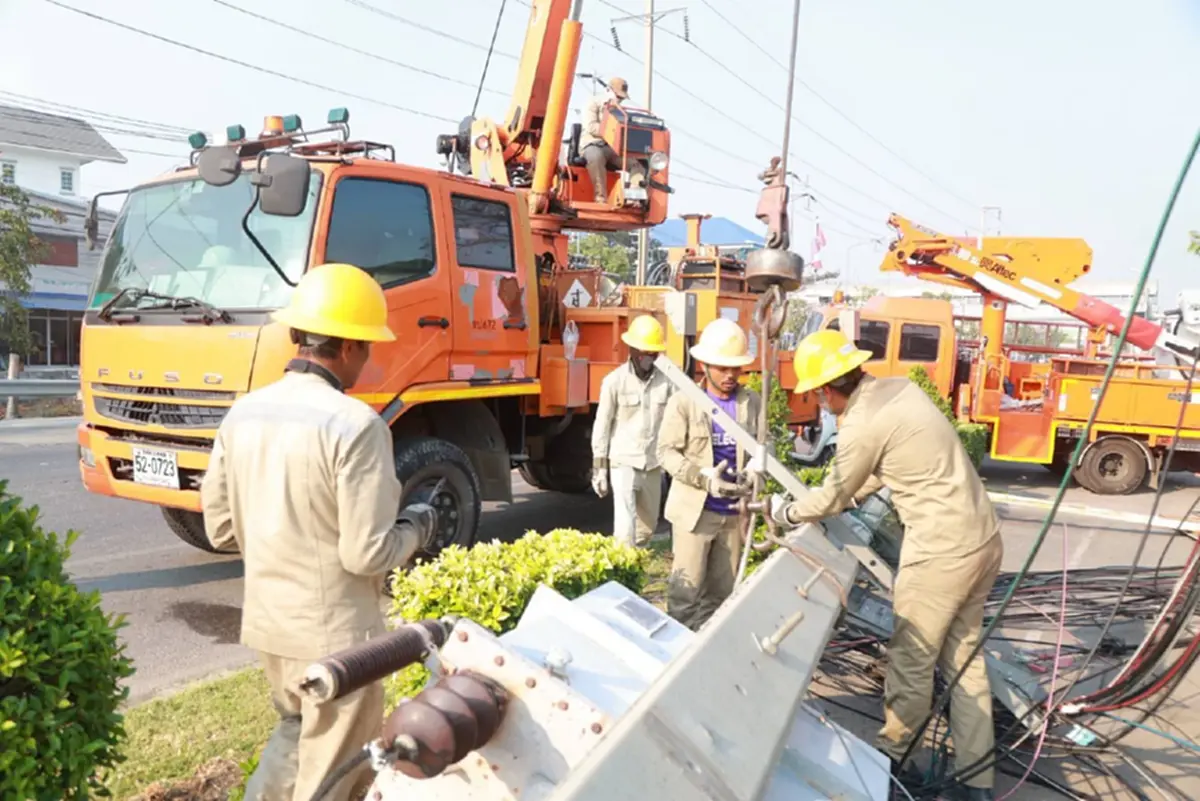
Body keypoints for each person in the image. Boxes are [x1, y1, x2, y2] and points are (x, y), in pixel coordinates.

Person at [200, 262, 441, 801]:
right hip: (337, 643)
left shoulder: (243, 414)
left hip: (268, 627)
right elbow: (367, 553)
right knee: (332, 776)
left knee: (292, 736)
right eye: (369, 347)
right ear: (351, 347)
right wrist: (417, 528)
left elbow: (219, 528)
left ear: (296, 334)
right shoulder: (356, 425)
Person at [766, 328, 1002, 801]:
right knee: (965, 660)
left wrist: (786, 511)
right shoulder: (899, 389)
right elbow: (883, 468)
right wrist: (851, 492)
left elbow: (834, 493)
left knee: (912, 660)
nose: (820, 404)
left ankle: (893, 765)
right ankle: (978, 782)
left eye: (818, 396)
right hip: (983, 538)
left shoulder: (861, 423)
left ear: (826, 388)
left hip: (940, 550)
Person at [657, 317, 758, 630]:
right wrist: (702, 477)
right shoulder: (685, 402)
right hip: (696, 514)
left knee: (721, 597)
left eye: (735, 369)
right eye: (721, 368)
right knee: (684, 594)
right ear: (704, 365)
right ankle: (675, 658)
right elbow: (666, 453)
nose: (729, 376)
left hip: (733, 514)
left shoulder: (750, 403)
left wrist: (756, 472)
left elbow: (761, 449)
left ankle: (705, 657)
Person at [591, 314, 673, 547]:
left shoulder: (667, 382)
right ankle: (622, 575)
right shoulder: (614, 382)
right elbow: (602, 425)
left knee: (647, 529)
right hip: (623, 461)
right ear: (634, 352)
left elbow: (680, 414)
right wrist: (600, 469)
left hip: (653, 463)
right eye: (647, 353)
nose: (651, 358)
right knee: (625, 529)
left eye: (654, 353)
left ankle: (634, 565)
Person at [581, 77, 629, 203]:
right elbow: (591, 127)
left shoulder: (622, 112)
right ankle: (600, 197)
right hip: (592, 144)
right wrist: (611, 132)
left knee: (637, 163)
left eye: (622, 98)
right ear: (609, 90)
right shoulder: (593, 102)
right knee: (596, 157)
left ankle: (636, 196)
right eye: (618, 96)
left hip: (611, 148)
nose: (620, 100)